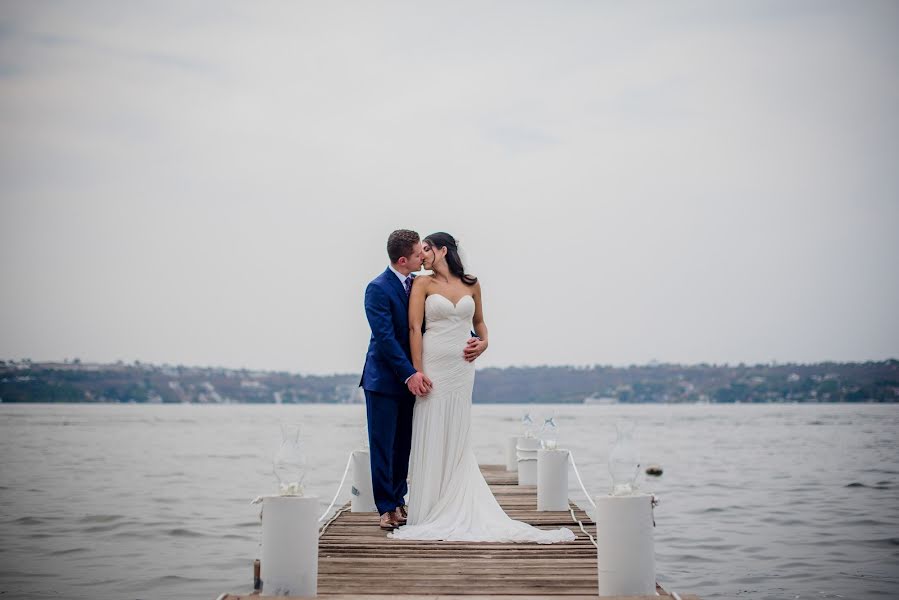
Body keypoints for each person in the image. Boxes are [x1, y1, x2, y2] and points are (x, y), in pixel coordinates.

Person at [390, 232, 575, 543]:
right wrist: (418, 371)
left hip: (462, 368)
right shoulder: (422, 284)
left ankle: (458, 498)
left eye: (426, 250)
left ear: (442, 250)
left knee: (458, 431)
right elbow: (413, 328)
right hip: (434, 364)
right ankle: (431, 506)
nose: (422, 256)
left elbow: (481, 322)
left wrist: (485, 343)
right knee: (432, 426)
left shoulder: (472, 283)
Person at [360, 229, 433, 530]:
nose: (423, 256)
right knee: (383, 445)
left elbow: (434, 322)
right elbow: (385, 338)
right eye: (418, 253)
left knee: (403, 444)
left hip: (412, 379)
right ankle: (385, 507)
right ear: (403, 259)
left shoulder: (419, 284)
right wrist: (409, 374)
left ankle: (399, 499)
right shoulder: (377, 288)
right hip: (383, 381)